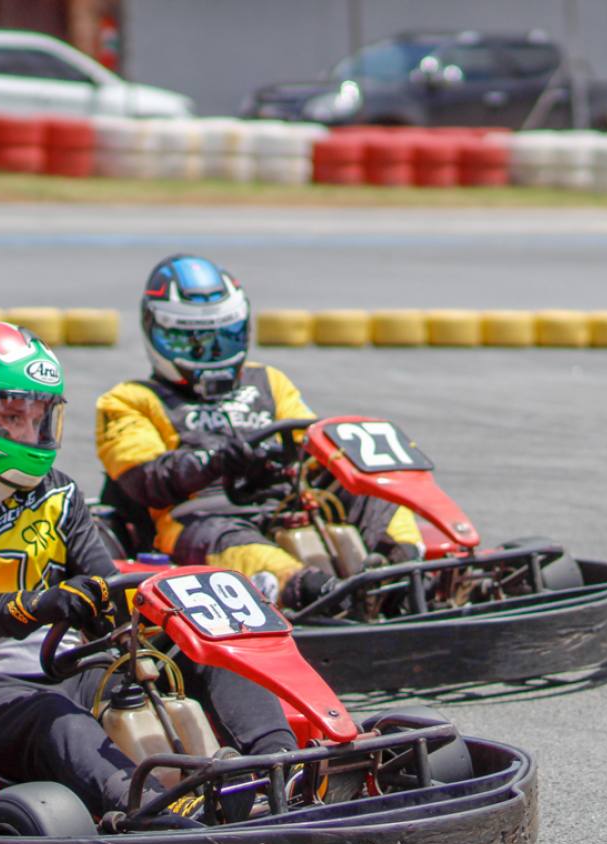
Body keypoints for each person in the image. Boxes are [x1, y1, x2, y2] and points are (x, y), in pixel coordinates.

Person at [0, 321, 296, 821]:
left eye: (39, 417)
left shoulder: (56, 493)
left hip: (70, 664)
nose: (29, 433)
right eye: (11, 415)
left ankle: (281, 768)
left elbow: (107, 586)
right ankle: (160, 810)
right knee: (59, 720)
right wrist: (39, 605)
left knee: (208, 656)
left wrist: (173, 615)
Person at [95, 254, 423, 611]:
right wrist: (217, 460)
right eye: (192, 342)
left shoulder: (267, 382)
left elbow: (314, 446)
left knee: (377, 491)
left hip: (283, 501)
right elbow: (146, 479)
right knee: (234, 541)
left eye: (225, 337)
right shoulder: (130, 400)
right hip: (201, 518)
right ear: (156, 332)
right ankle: (315, 592)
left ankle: (402, 570)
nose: (212, 354)